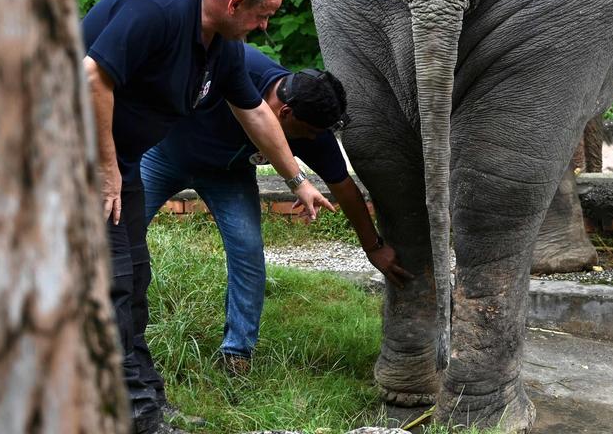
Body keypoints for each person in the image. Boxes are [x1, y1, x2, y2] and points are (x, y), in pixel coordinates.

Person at [81, 0, 334, 434]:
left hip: (121, 162)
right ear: (236, 3)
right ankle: (131, 413)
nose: (264, 27)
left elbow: (255, 112)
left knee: (134, 278)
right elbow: (92, 75)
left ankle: (144, 398)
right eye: (263, 15)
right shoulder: (153, 8)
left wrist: (297, 181)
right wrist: (106, 170)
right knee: (112, 279)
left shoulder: (221, 45)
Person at [141, 49, 412, 374]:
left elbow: (345, 189)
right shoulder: (237, 65)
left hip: (228, 176)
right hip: (164, 156)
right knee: (115, 231)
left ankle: (236, 354)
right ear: (285, 112)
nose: (314, 139)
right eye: (310, 132)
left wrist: (373, 247)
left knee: (248, 254)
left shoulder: (312, 127)